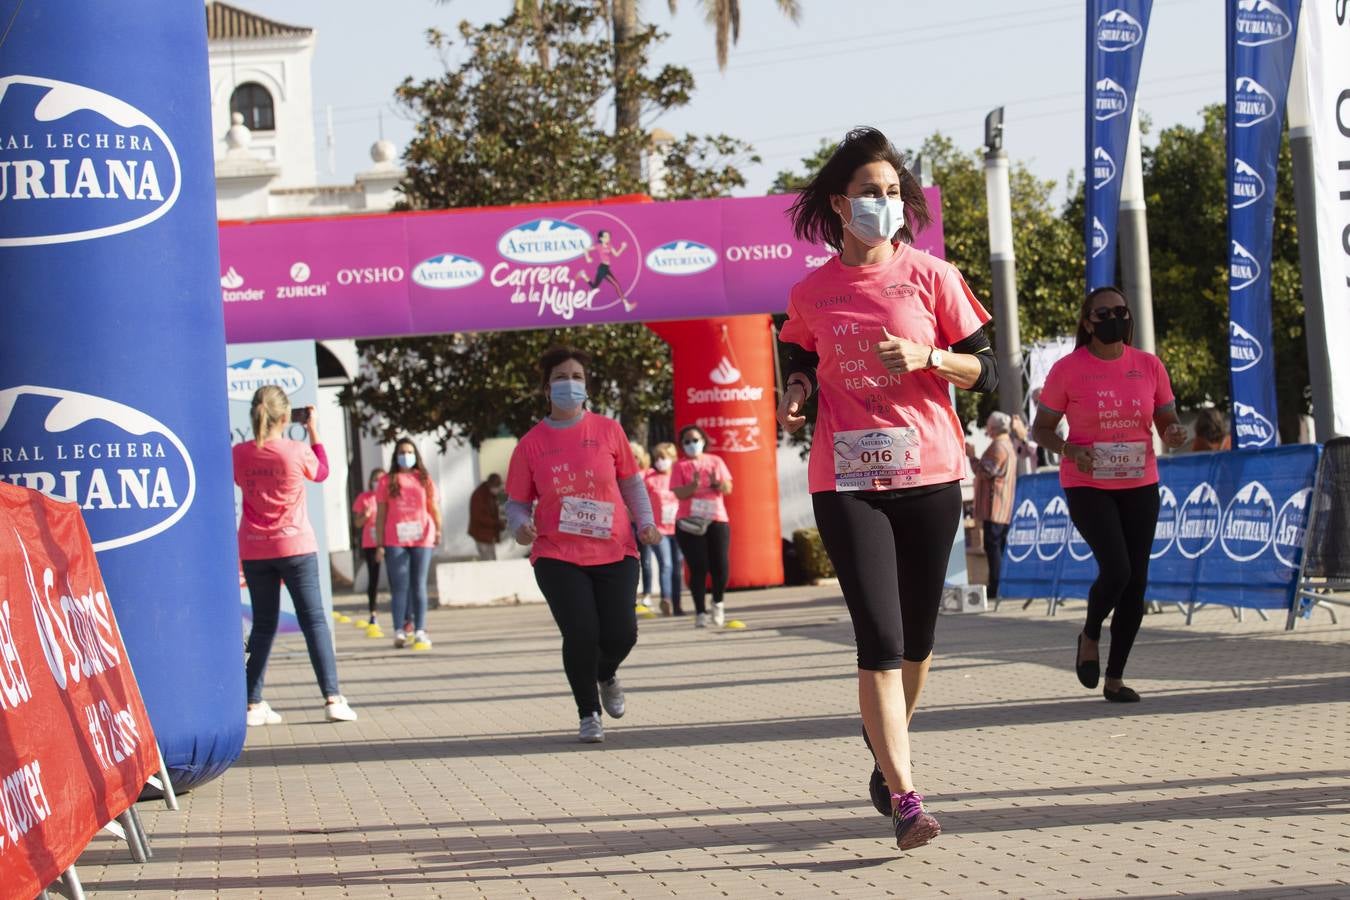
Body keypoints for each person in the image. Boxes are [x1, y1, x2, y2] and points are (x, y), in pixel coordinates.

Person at [776, 127, 998, 851]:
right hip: (847, 480)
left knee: (919, 641)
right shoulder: (812, 291)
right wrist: (800, 390)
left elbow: (990, 372)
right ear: (840, 204)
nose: (884, 202)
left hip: (930, 474)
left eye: (893, 191)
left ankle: (885, 747)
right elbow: (796, 353)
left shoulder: (933, 276)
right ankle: (905, 795)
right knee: (881, 635)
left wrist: (928, 355)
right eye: (870, 192)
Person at [1031, 285, 1188, 704]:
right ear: (1088, 322)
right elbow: (1040, 429)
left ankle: (1115, 678)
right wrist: (1069, 449)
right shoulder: (1068, 369)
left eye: (1121, 311)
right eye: (1104, 313)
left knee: (1136, 583)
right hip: (1088, 484)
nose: (1115, 318)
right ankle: (1090, 632)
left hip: (1140, 482)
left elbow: (1166, 421)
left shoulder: (1149, 366)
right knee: (1116, 569)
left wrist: (1173, 432)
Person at [505, 346, 661, 743]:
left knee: (621, 634)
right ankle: (588, 713)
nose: (570, 384)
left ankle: (606, 673)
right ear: (546, 388)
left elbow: (630, 483)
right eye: (561, 377)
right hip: (557, 554)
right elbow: (518, 504)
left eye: (577, 377)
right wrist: (521, 526)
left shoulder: (609, 431)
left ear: (587, 386)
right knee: (581, 631)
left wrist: (646, 523)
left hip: (615, 548)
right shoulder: (530, 444)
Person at [232, 385, 357, 725]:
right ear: (286, 417)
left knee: (263, 624)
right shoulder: (295, 450)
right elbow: (323, 472)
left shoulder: (240, 453)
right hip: (295, 546)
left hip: (256, 548)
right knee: (313, 620)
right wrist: (314, 430)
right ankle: (332, 698)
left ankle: (252, 703)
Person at [374, 439, 442, 650]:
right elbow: (381, 515)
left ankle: (420, 630)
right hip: (396, 540)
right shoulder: (387, 481)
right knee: (400, 586)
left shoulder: (424, 479)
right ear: (396, 456)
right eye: (403, 452)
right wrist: (379, 543)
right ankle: (399, 630)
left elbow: (433, 507)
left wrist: (438, 529)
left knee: (419, 585)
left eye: (410, 452)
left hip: (422, 537)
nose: (406, 455)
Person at [670, 425, 733, 629]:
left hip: (716, 518)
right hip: (689, 522)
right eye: (687, 442)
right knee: (698, 566)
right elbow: (679, 494)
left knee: (720, 566)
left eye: (695, 440)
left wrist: (717, 484)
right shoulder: (680, 466)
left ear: (703, 441)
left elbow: (728, 487)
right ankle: (700, 612)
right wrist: (693, 486)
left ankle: (718, 602)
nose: (691, 444)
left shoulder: (715, 461)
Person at [968, 412, 1017, 599]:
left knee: (993, 547)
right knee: (998, 547)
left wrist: (972, 457)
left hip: (994, 506)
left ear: (993, 428)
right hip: (1002, 506)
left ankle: (996, 586)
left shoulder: (998, 446)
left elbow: (985, 471)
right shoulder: (1007, 445)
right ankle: (1000, 585)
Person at [643, 442, 684, 617]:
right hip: (659, 530)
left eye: (663, 457)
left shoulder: (680, 476)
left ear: (672, 458)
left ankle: (678, 604)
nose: (660, 461)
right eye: (657, 458)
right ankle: (666, 599)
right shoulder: (650, 479)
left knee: (677, 566)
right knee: (666, 564)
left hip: (679, 527)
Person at [351, 468, 386, 626]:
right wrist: (365, 515)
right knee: (373, 579)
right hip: (370, 542)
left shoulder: (388, 497)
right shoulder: (364, 498)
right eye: (375, 479)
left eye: (381, 479)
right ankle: (373, 612)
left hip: (389, 540)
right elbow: (357, 523)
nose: (378, 483)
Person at [630, 441, 657, 610]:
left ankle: (647, 594)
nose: (632, 459)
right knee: (630, 561)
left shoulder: (649, 474)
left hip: (643, 524)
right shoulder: (618, 475)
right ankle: (630, 595)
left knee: (646, 560)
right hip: (626, 524)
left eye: (635, 456)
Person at [577, 230, 632, 312]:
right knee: (616, 285)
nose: (608, 238)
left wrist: (622, 248)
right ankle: (626, 305)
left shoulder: (610, 246)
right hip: (602, 268)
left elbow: (616, 254)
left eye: (609, 236)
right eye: (606, 236)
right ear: (601, 238)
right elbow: (586, 249)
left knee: (594, 287)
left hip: (606, 268)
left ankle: (583, 275)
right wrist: (587, 258)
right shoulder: (599, 246)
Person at [468, 473, 505, 560]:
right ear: (492, 486)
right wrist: (498, 523)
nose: (498, 491)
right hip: (481, 534)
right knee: (488, 561)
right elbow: (480, 518)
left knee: (492, 559)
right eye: (497, 488)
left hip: (489, 534)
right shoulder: (479, 496)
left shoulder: (490, 494)